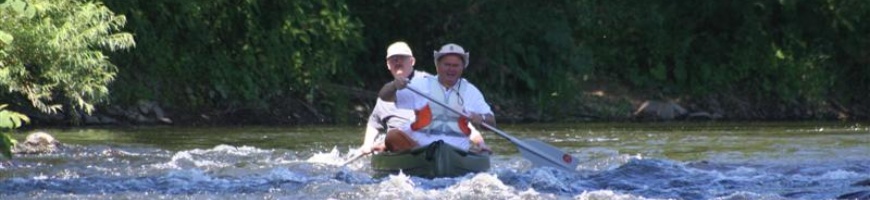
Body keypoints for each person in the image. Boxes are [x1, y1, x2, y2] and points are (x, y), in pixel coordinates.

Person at [354, 42, 483, 155]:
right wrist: (367, 145)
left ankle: (428, 153)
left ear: (412, 62)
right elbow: (374, 123)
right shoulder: (387, 94)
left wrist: (479, 142)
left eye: (402, 58)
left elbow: (455, 115)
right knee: (392, 137)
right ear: (388, 65)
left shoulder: (429, 83)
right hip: (399, 144)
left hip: (431, 142)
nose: (398, 62)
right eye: (393, 59)